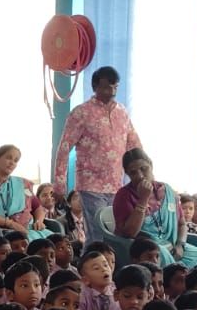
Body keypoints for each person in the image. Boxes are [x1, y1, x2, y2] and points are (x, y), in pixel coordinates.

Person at [54, 66, 142, 240]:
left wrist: (144, 175)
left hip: (117, 185)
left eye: (115, 87)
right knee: (98, 235)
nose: (112, 91)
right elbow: (64, 148)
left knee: (115, 235)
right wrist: (59, 185)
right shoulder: (81, 112)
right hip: (91, 185)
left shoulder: (122, 112)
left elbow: (134, 145)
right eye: (107, 87)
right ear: (95, 87)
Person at [112, 149, 197, 268]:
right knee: (163, 257)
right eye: (133, 173)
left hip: (173, 246)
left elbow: (182, 224)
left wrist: (180, 245)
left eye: (144, 169)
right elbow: (130, 233)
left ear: (151, 166)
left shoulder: (167, 190)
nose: (140, 176)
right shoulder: (124, 195)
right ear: (127, 175)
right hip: (147, 250)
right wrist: (143, 199)